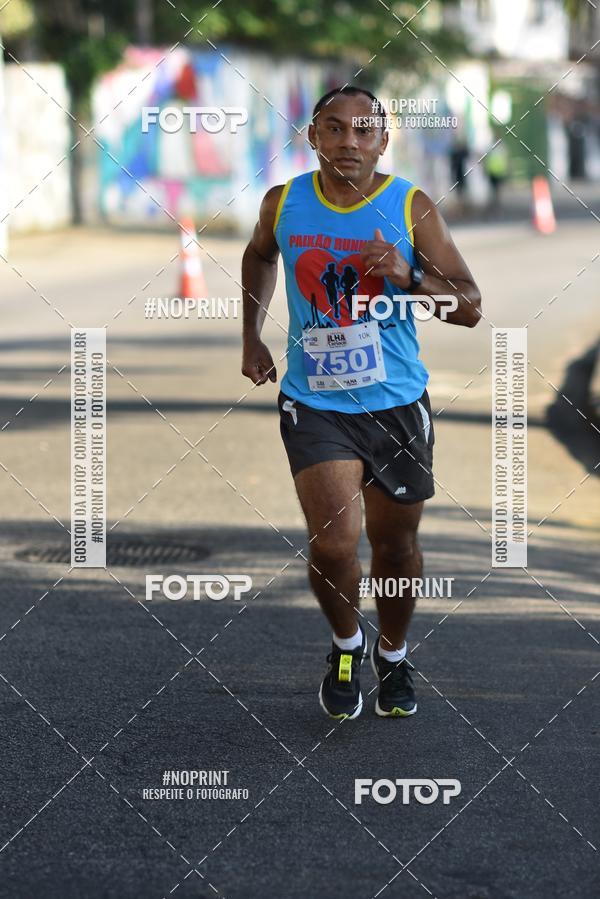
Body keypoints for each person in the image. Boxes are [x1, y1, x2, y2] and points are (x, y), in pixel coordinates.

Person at [241, 86, 481, 720]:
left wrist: (408, 276)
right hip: (315, 402)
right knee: (332, 544)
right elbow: (259, 255)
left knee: (395, 549)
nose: (349, 141)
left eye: (363, 130)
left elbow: (468, 307)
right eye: (334, 128)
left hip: (396, 404)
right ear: (313, 136)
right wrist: (251, 335)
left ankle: (393, 654)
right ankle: (346, 645)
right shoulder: (283, 202)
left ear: (382, 141)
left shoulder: (410, 206)